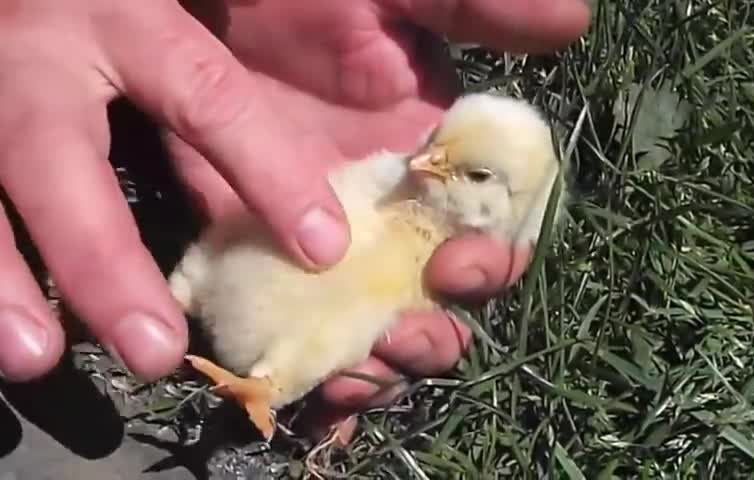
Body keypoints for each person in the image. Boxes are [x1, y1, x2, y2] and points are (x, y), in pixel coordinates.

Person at [0, 0, 590, 430]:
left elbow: (340, 324)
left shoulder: (410, 235)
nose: (430, 158)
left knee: (357, 314)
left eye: (474, 173)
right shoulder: (387, 183)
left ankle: (263, 380)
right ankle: (183, 307)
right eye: (439, 138)